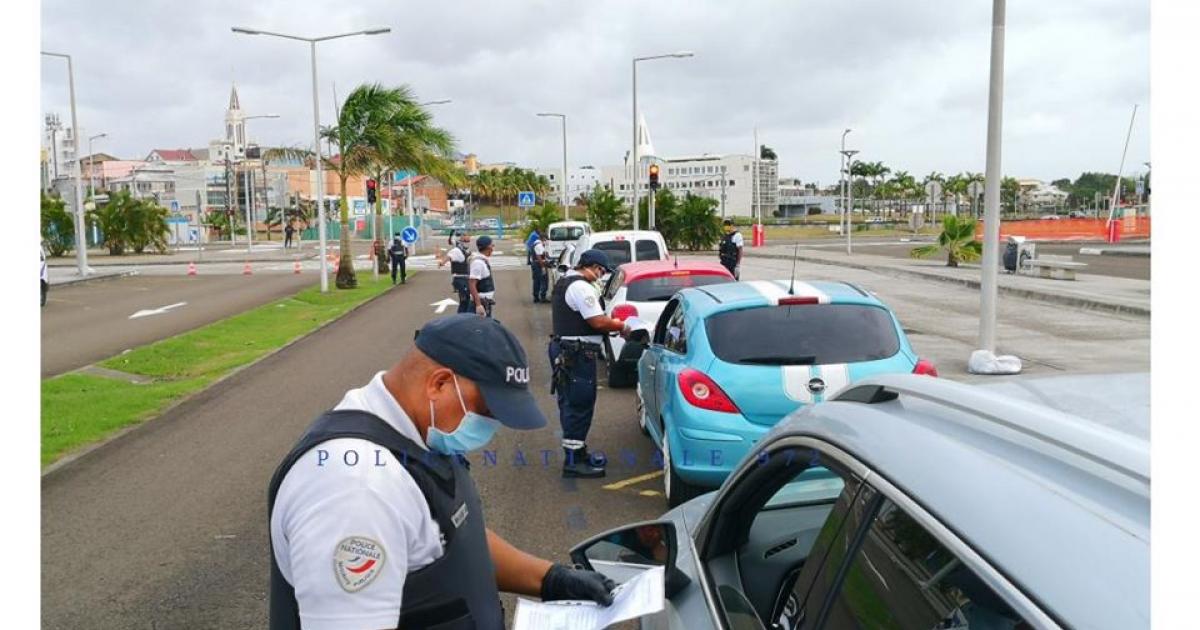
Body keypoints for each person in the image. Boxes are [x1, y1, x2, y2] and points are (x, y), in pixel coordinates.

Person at [268, 315, 617, 629]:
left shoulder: (414, 433)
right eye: (487, 409)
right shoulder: (356, 491)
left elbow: (451, 537)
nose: (492, 425)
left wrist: (551, 579)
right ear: (439, 384)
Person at [548, 249, 631, 478]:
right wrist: (621, 326)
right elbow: (596, 321)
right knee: (579, 404)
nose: (601, 275)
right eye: (601, 271)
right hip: (577, 354)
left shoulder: (565, 282)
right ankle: (573, 463)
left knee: (571, 402)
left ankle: (578, 451)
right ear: (592, 266)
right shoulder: (581, 287)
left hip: (567, 350)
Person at [439, 231, 473, 313]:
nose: (468, 237)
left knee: (467, 301)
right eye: (465, 235)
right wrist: (441, 263)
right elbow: (447, 257)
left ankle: (464, 318)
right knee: (464, 301)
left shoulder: (465, 250)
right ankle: (461, 319)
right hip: (460, 279)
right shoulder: (455, 251)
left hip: (466, 279)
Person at [469, 235, 497, 318]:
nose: (493, 247)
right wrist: (478, 305)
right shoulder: (478, 263)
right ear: (488, 247)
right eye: (492, 245)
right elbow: (472, 284)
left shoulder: (482, 260)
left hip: (485, 302)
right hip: (481, 303)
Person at [529, 231, 549, 303]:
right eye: (546, 239)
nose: (547, 241)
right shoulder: (539, 245)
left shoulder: (535, 243)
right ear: (543, 238)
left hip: (535, 264)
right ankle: (542, 297)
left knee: (536, 281)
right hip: (539, 265)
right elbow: (539, 257)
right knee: (543, 281)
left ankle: (536, 297)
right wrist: (543, 267)